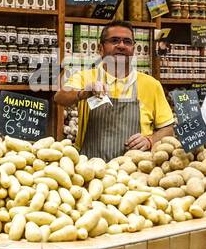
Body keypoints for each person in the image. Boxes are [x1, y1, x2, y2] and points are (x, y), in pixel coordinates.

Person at [54, 21, 174, 160]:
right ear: (101, 48)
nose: (121, 46)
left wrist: (150, 140)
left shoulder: (151, 85)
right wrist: (84, 93)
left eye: (127, 42)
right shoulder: (84, 77)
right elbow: (60, 97)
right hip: (90, 169)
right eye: (114, 40)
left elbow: (168, 129)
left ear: (134, 49)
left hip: (135, 170)